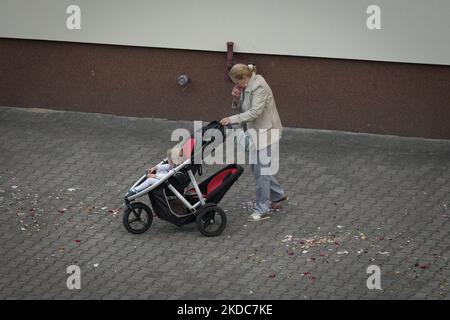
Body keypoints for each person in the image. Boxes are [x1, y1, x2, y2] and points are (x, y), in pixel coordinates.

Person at [220, 63, 288, 222]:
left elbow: (254, 113)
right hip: (255, 132)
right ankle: (278, 195)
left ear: (244, 77)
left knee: (261, 172)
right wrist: (236, 99)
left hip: (267, 132)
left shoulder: (259, 87)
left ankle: (262, 209)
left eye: (237, 82)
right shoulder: (248, 86)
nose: (237, 85)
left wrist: (231, 119)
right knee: (258, 167)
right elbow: (245, 110)